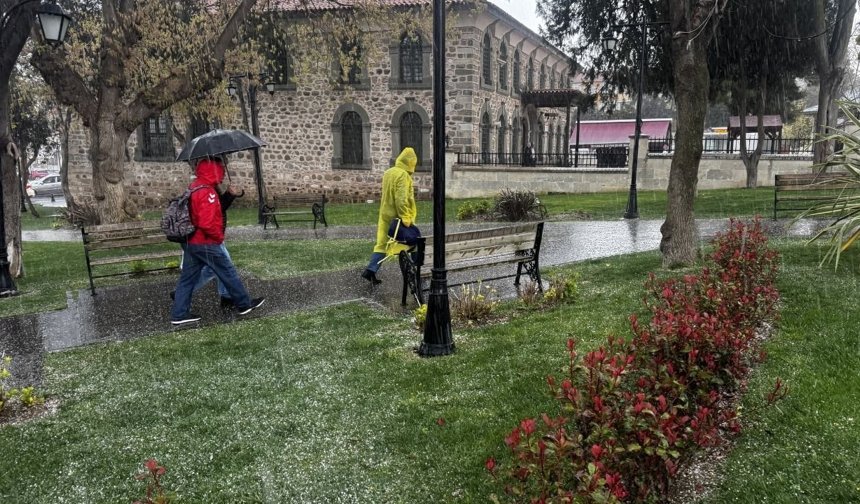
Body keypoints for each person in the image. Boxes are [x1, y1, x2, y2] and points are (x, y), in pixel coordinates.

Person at [170, 157, 264, 325]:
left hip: (191, 241)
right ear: (214, 170)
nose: (222, 172)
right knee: (227, 271)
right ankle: (244, 304)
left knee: (188, 278)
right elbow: (206, 222)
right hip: (204, 241)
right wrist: (218, 237)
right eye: (220, 169)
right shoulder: (207, 191)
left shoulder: (195, 187)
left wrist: (230, 194)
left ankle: (179, 313)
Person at [361, 147, 418, 285]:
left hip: (385, 214)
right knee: (414, 242)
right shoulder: (403, 175)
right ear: (411, 162)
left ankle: (371, 270)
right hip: (399, 218)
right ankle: (416, 271)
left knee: (382, 244)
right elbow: (401, 198)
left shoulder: (388, 172)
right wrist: (405, 217)